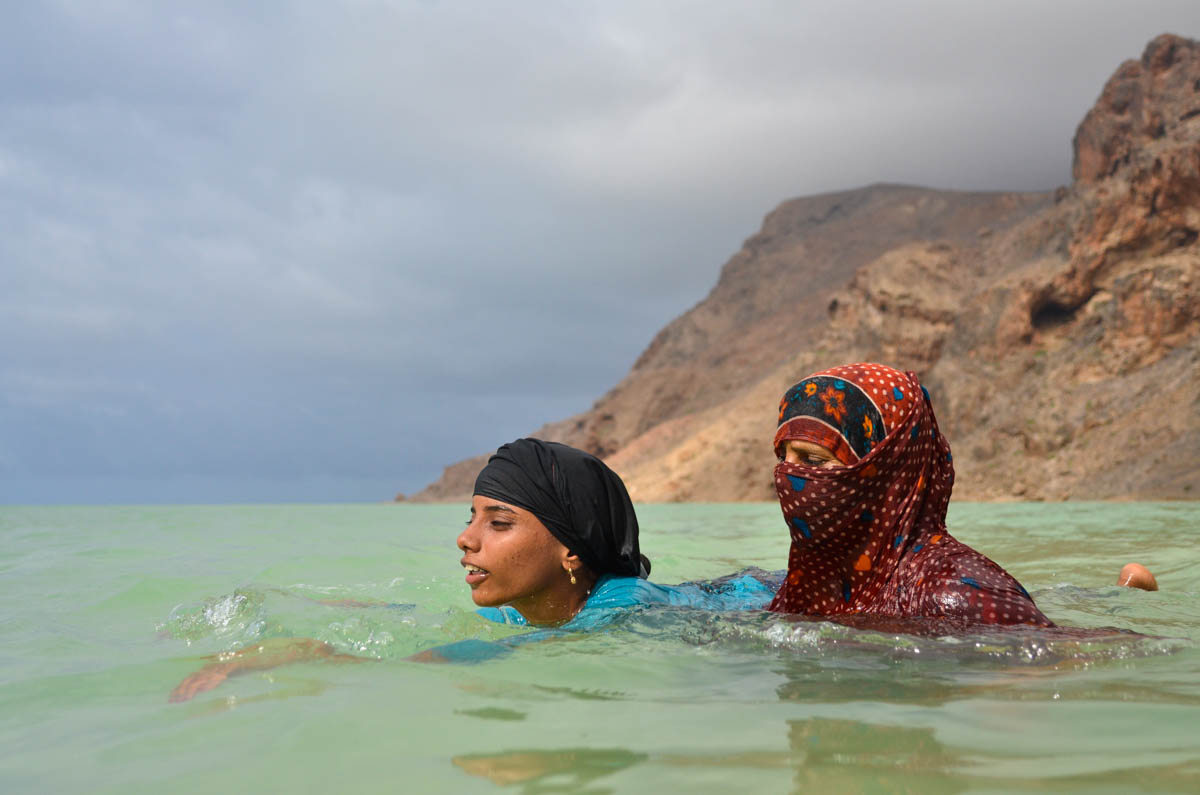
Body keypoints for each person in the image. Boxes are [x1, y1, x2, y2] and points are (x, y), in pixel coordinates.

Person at [768, 362, 1055, 626]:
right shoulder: (812, 581)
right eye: (783, 458)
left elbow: (1049, 663)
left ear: (883, 469)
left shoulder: (955, 594)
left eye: (813, 461)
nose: (787, 476)